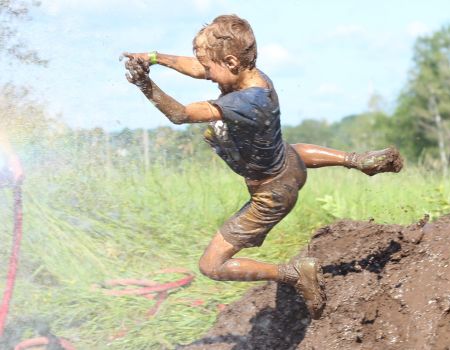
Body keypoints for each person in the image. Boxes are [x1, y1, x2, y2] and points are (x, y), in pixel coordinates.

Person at [123, 14, 403, 319]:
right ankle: (357, 160)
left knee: (211, 265)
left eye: (210, 69)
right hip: (290, 165)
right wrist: (153, 57)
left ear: (230, 62)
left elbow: (180, 114)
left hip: (271, 195)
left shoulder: (243, 103)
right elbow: (197, 67)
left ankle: (293, 273)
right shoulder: (255, 78)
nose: (207, 75)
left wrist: (145, 85)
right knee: (286, 149)